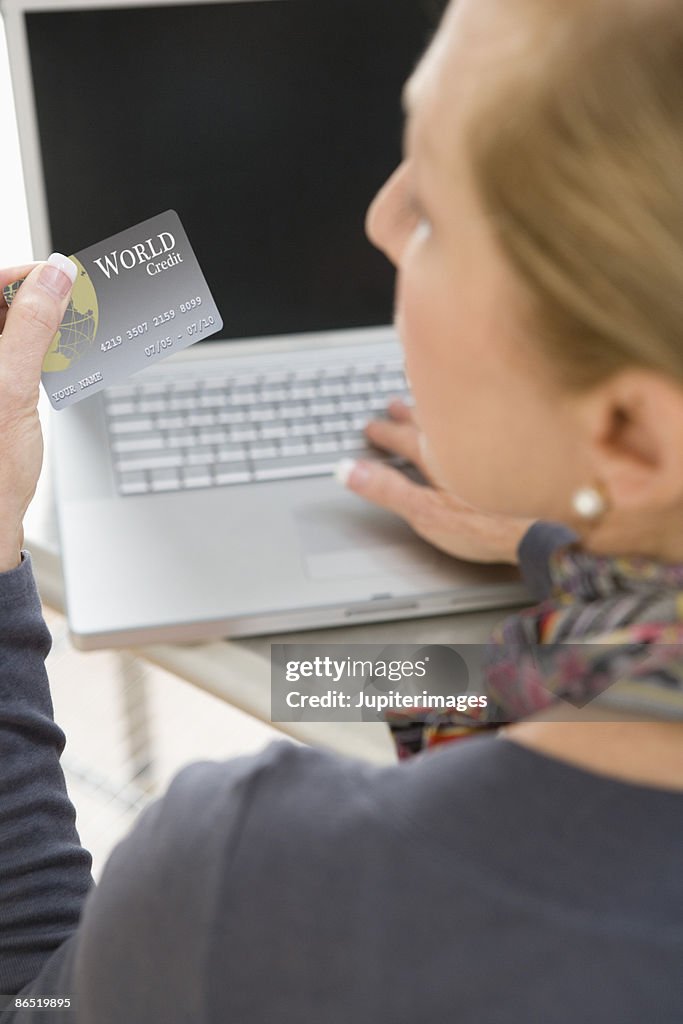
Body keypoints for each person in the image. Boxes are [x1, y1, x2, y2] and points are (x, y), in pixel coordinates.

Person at [1, 0, 682, 1019]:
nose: (375, 219)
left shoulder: (254, 893)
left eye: (435, 215)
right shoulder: (611, 627)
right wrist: (571, 539)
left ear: (630, 432)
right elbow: (462, 691)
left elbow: (37, 990)